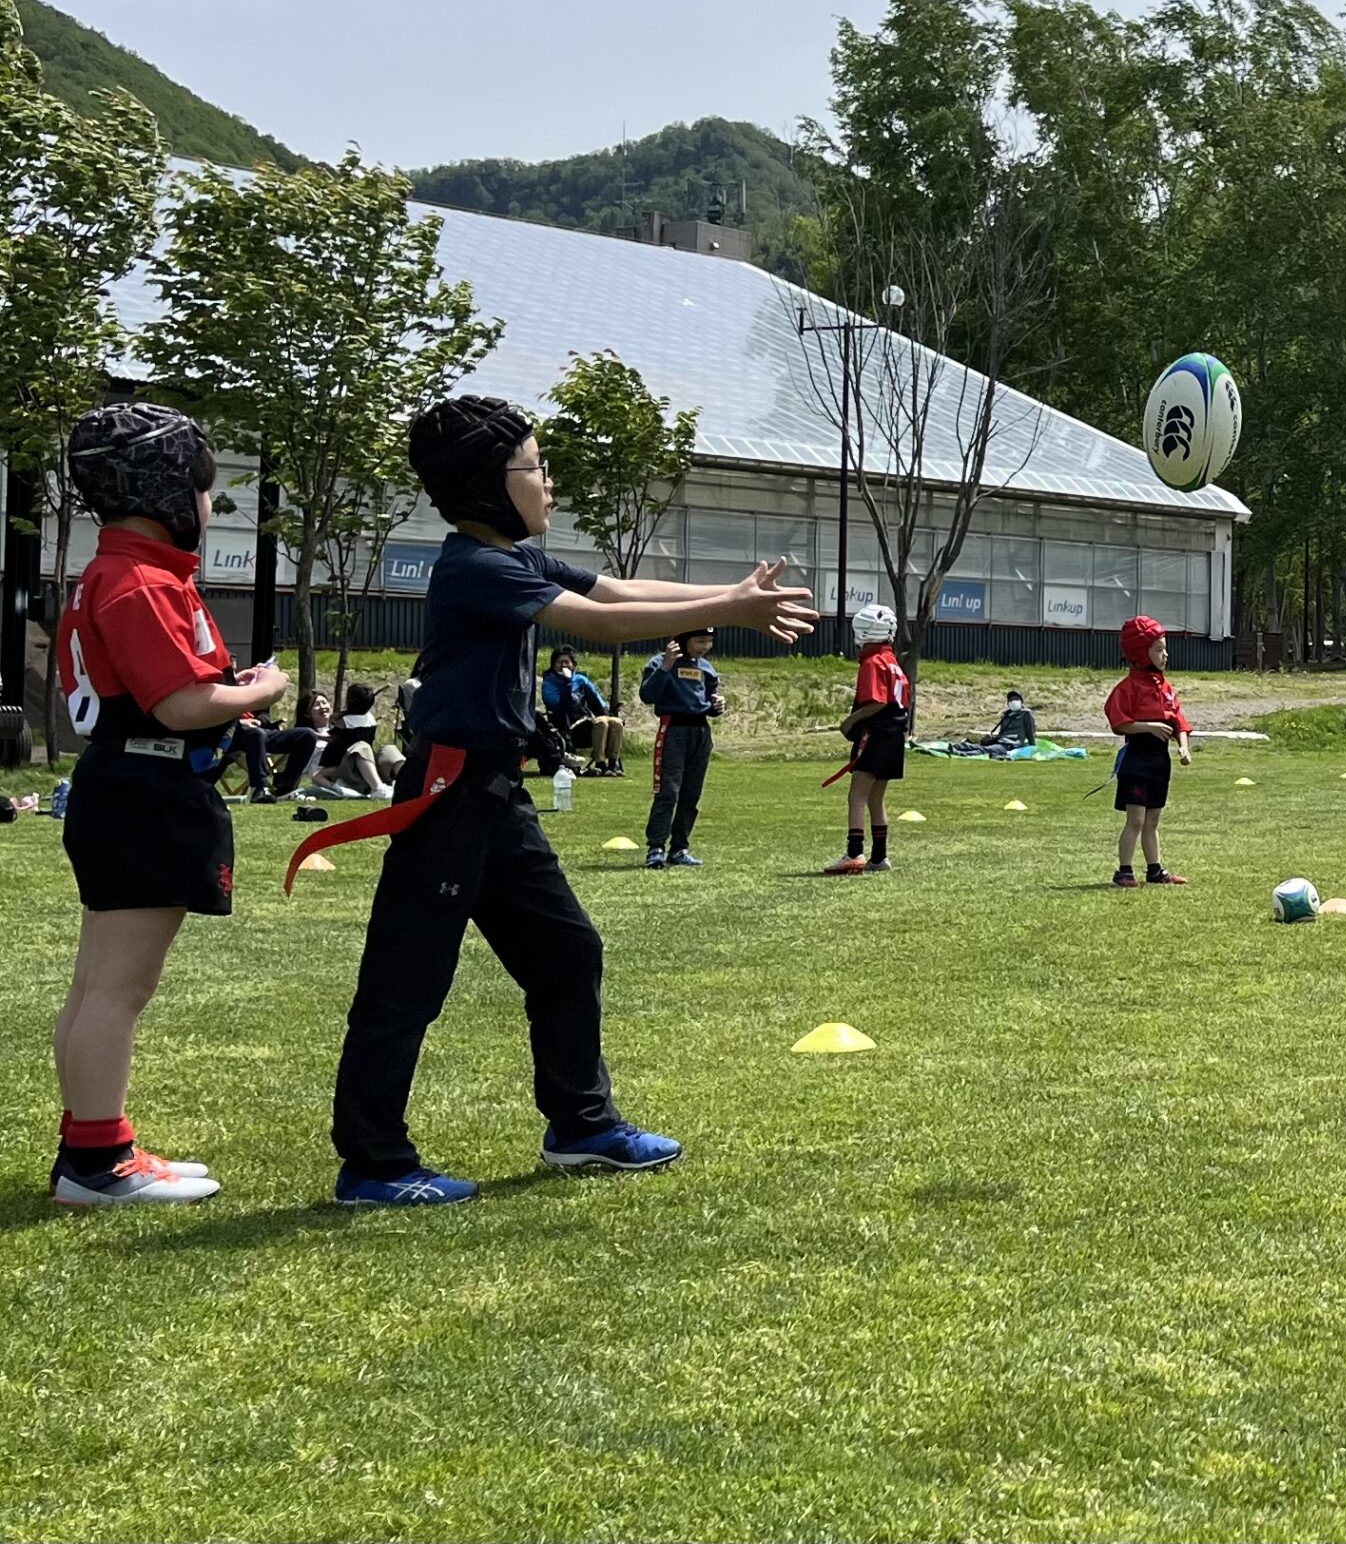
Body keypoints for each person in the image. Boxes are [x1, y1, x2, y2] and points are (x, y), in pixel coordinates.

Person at [317, 395, 812, 1206]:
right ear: (487, 483)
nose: (549, 483)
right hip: (450, 798)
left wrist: (731, 590)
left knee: (567, 954)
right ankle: (373, 1164)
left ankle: (581, 1127)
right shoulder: (477, 569)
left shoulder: (512, 559)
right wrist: (731, 609)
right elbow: (600, 626)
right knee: (405, 984)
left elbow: (616, 591)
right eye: (536, 467)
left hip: (496, 796)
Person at [49, 403, 289, 1204]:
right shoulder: (139, 581)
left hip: (124, 787)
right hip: (145, 793)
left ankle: (91, 1145)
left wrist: (225, 691)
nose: (208, 504)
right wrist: (261, 689)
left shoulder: (118, 572)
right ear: (163, 489)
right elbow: (182, 705)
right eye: (202, 487)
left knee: (97, 984)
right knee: (117, 989)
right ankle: (99, 1162)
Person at [824, 605, 911, 875]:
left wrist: (850, 721)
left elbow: (877, 701)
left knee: (857, 796)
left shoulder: (873, 662)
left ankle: (854, 853)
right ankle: (880, 856)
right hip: (895, 736)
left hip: (876, 734)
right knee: (876, 797)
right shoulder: (893, 662)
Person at [1105, 615, 1191, 886]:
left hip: (1159, 762)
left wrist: (1184, 747)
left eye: (1165, 649)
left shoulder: (1165, 688)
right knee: (1136, 820)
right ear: (1141, 653)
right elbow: (1119, 723)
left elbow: (1179, 722)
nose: (1165, 655)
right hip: (1136, 762)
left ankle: (1155, 870)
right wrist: (1148, 727)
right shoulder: (1128, 688)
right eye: (1158, 650)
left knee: (1153, 820)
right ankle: (1124, 871)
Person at [639, 629, 722, 870]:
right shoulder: (660, 662)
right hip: (673, 729)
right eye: (700, 641)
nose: (705, 647)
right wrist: (666, 666)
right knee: (668, 792)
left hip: (700, 732)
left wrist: (717, 705)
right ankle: (656, 848)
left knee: (691, 794)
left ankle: (679, 848)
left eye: (709, 642)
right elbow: (647, 695)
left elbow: (708, 701)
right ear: (684, 640)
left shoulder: (706, 668)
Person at [308, 684, 402, 800]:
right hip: (351, 770)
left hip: (363, 767)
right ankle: (377, 788)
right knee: (363, 747)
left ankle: (406, 782)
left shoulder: (343, 723)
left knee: (387, 749)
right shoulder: (369, 719)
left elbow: (332, 750)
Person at [541, 647, 624, 774]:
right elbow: (560, 707)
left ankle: (613, 764)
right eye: (559, 662)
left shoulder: (580, 680)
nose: (563, 665)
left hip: (586, 723)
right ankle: (600, 763)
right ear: (553, 665)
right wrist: (567, 683)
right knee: (601, 722)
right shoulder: (549, 683)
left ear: (573, 665)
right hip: (565, 728)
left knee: (615, 722)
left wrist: (608, 716)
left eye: (567, 662)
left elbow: (597, 702)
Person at [219, 706, 320, 805]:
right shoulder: (222, 694)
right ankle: (259, 789)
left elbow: (264, 714)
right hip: (232, 734)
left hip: (260, 732)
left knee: (307, 735)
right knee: (257, 735)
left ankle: (285, 788)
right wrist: (239, 723)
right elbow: (213, 715)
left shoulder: (254, 695)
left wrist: (259, 721)